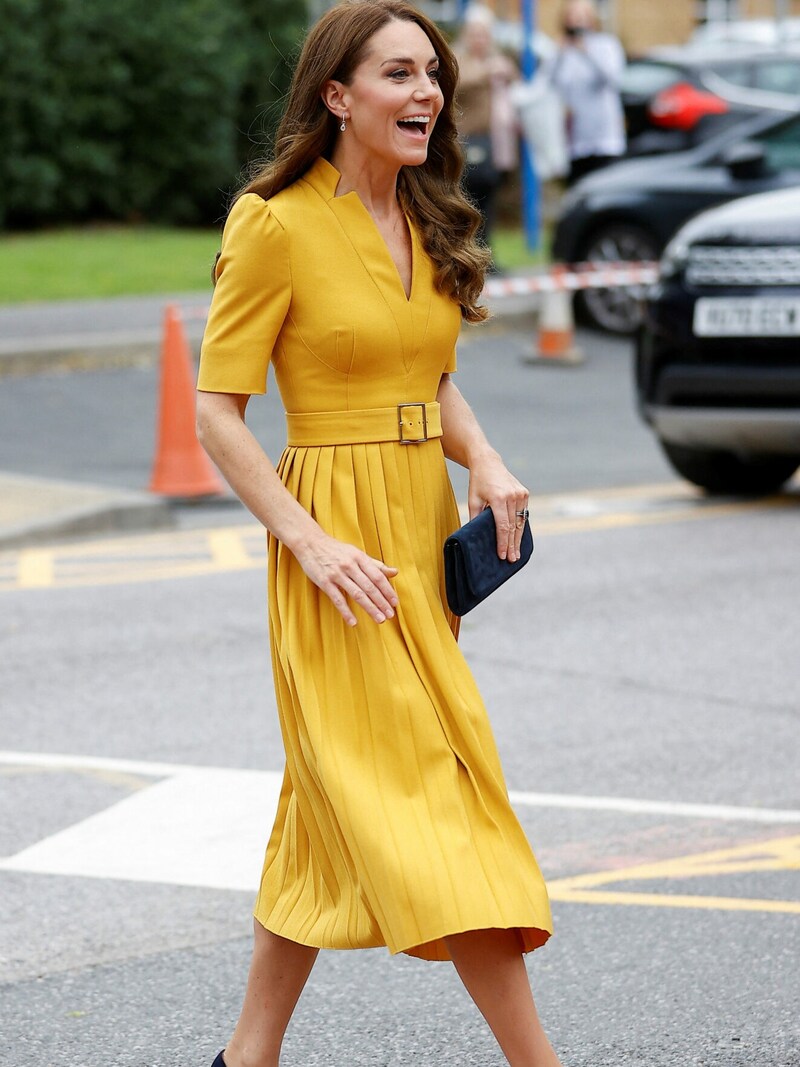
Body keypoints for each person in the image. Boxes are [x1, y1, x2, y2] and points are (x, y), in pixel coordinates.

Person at [196, 2, 560, 1065]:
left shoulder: (427, 214)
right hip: (333, 543)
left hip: (416, 528)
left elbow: (426, 374)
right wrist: (306, 542)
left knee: (332, 798)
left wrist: (481, 458)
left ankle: (245, 1055)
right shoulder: (272, 223)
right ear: (337, 95)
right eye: (398, 73)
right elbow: (217, 411)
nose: (426, 93)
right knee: (434, 798)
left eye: (431, 74)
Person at [452, 4, 520, 253]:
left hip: (495, 142)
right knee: (470, 197)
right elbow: (457, 83)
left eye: (484, 34)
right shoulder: (459, 58)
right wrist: (486, 72)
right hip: (468, 140)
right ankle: (470, 250)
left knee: (489, 198)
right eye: (475, 33)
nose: (479, 39)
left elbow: (516, 84)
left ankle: (487, 252)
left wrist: (507, 70)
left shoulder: (496, 58)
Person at [548, 0, 626, 184]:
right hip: (574, 140)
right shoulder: (562, 51)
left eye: (582, 17)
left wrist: (587, 52)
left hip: (605, 139)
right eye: (572, 18)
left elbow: (613, 78)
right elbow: (549, 84)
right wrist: (558, 53)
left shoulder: (606, 45)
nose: (577, 23)